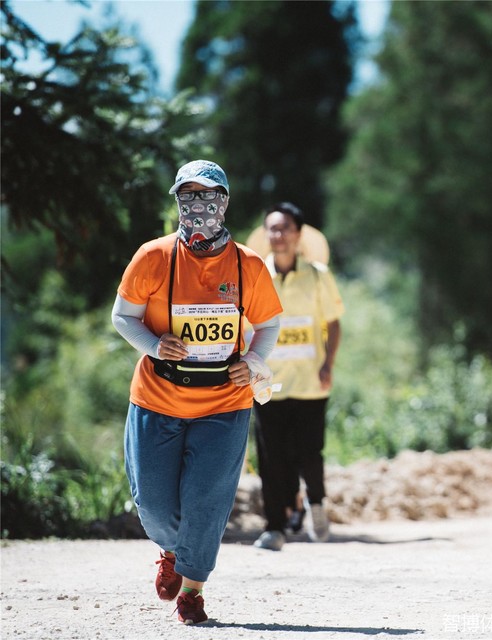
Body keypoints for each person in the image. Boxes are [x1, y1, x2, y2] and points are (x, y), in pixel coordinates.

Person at [111, 160, 283, 624]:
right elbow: (122, 316)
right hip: (156, 398)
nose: (197, 205)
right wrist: (154, 345)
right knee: (154, 503)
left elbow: (268, 324)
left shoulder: (248, 266)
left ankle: (192, 590)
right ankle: (170, 548)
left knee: (207, 501)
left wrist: (253, 362)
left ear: (224, 202)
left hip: (225, 403)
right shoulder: (153, 256)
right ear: (177, 202)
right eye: (187, 196)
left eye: (207, 196)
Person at [252, 202, 344, 552]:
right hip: (268, 383)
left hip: (309, 383)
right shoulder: (256, 275)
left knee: (309, 453)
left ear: (298, 234)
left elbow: (334, 322)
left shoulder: (318, 274)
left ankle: (316, 505)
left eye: (285, 228)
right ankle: (274, 527)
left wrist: (328, 365)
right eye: (272, 229)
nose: (278, 235)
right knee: (271, 456)